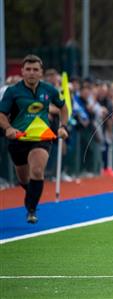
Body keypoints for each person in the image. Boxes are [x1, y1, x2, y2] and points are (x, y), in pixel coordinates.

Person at [0, 55, 69, 223]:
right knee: (24, 180)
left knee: (37, 171)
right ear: (22, 71)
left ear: (41, 72)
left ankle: (31, 210)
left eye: (35, 70)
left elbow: (63, 108)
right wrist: (8, 128)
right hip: (18, 140)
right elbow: (1, 114)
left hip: (41, 137)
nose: (31, 73)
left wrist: (63, 126)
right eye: (28, 69)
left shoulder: (49, 90)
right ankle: (30, 195)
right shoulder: (13, 91)